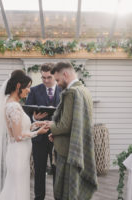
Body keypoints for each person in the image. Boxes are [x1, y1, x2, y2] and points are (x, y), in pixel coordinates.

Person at [0, 69, 49, 200]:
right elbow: (18, 136)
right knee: (16, 189)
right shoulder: (13, 106)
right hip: (18, 154)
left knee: (15, 187)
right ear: (18, 86)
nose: (29, 90)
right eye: (28, 87)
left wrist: (34, 124)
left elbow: (18, 129)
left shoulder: (12, 103)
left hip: (19, 153)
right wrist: (37, 132)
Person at [46, 62, 98, 200]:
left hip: (68, 151)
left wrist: (49, 126)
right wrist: (55, 134)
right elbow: (75, 123)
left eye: (57, 80)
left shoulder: (71, 93)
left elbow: (64, 125)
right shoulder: (84, 90)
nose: (57, 84)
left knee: (65, 193)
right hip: (78, 146)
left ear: (65, 74)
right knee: (75, 190)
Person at [25, 63, 61, 200]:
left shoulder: (63, 91)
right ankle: (39, 198)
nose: (46, 80)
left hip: (57, 138)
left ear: (55, 75)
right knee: (39, 171)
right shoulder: (33, 91)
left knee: (58, 171)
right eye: (43, 77)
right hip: (39, 139)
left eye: (49, 77)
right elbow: (27, 115)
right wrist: (35, 118)